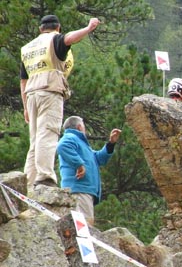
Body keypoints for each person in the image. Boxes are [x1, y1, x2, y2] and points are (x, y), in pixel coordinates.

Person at [20, 15, 100, 188]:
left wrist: (25, 106)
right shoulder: (54, 40)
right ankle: (45, 177)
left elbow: (23, 80)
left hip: (32, 94)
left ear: (40, 29)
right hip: (49, 92)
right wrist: (88, 28)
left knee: (35, 140)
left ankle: (28, 181)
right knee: (47, 134)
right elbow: (69, 38)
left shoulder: (27, 48)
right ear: (58, 27)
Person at [57, 116, 122, 225]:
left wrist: (111, 144)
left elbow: (98, 158)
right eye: (84, 125)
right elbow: (62, 146)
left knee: (83, 226)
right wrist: (79, 165)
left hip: (83, 190)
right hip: (79, 190)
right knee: (83, 227)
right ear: (79, 127)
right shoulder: (71, 137)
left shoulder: (81, 144)